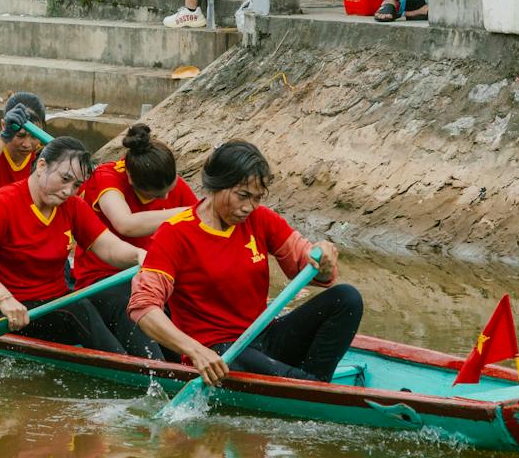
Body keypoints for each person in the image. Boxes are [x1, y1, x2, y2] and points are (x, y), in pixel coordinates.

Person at [128, 140, 359, 383]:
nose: (249, 207)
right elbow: (143, 308)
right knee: (252, 364)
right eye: (243, 196)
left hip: (262, 336)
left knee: (347, 298)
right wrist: (195, 350)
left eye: (257, 197)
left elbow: (305, 265)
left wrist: (322, 260)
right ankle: (307, 388)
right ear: (216, 186)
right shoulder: (175, 233)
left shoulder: (261, 219)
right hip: (220, 353)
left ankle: (313, 385)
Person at [0, 136, 147, 352]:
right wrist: (4, 297)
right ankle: (125, 373)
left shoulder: (73, 206)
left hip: (55, 304)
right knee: (79, 308)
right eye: (64, 179)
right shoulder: (3, 202)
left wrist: (139, 255)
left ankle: (154, 369)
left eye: (76, 185)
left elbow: (108, 247)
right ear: (42, 166)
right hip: (10, 313)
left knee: (119, 302)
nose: (68, 191)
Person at [72, 124, 196, 353]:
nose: (167, 197)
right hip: (104, 280)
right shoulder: (106, 176)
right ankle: (154, 369)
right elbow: (125, 224)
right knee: (134, 304)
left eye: (170, 189)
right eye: (157, 195)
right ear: (130, 177)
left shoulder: (168, 180)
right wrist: (190, 213)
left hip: (154, 276)